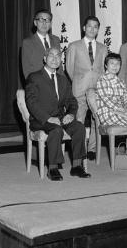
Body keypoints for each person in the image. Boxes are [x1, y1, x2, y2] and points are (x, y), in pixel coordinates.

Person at [25, 47, 90, 181]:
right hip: (40, 119)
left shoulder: (62, 79)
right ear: (44, 59)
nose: (55, 59)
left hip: (60, 117)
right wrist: (48, 118)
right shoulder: (34, 77)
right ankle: (53, 168)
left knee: (79, 128)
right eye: (51, 56)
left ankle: (77, 166)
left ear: (61, 60)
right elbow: (31, 103)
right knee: (56, 130)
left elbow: (71, 101)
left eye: (58, 56)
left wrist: (71, 114)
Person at [66, 16, 108, 161]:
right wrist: (78, 81)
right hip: (79, 89)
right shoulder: (74, 46)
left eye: (95, 26)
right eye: (89, 26)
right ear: (84, 28)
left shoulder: (103, 48)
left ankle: (92, 149)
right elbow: (69, 68)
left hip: (97, 89)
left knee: (97, 119)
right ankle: (79, 150)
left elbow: (104, 69)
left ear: (98, 29)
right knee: (79, 120)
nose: (92, 29)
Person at [21, 9, 61, 81]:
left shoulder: (56, 40)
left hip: (56, 83)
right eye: (41, 20)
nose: (44, 23)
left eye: (47, 20)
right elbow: (26, 70)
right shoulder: (27, 43)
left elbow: (59, 66)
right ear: (35, 23)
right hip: (38, 85)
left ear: (51, 24)